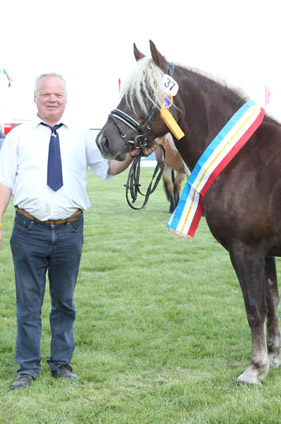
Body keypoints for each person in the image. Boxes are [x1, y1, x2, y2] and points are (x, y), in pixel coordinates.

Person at [0, 73, 150, 390]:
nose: (52, 99)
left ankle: (61, 364)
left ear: (66, 98)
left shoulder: (82, 134)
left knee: (64, 302)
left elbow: (108, 168)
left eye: (57, 94)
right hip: (27, 230)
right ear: (35, 98)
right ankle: (26, 368)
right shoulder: (18, 136)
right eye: (45, 94)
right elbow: (5, 183)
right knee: (28, 303)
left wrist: (133, 155)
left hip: (69, 230)